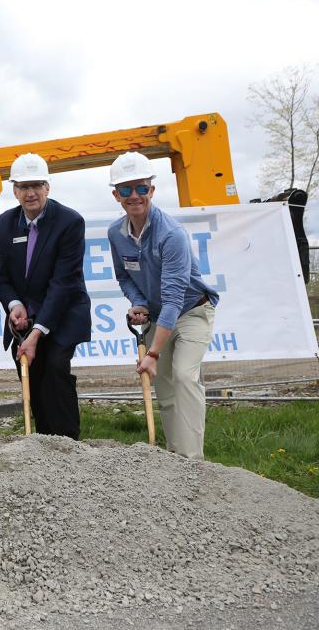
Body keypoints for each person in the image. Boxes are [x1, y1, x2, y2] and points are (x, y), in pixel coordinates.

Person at [107, 152, 218, 459]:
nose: (134, 196)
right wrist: (139, 302)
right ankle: (174, 458)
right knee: (166, 388)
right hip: (159, 314)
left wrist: (152, 353)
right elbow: (124, 278)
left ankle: (194, 462)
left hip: (193, 310)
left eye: (141, 188)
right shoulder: (116, 234)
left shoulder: (171, 235)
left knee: (184, 376)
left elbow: (173, 298)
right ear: (116, 194)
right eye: (126, 190)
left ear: (152, 190)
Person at [0, 153, 91, 439]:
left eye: (36, 185)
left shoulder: (70, 222)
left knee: (55, 369)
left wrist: (37, 332)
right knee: (32, 378)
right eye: (23, 186)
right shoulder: (6, 222)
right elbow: (2, 278)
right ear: (15, 190)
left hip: (62, 314)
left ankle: (68, 444)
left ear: (48, 187)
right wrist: (14, 305)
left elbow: (64, 283)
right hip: (24, 318)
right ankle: (44, 444)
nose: (30, 192)